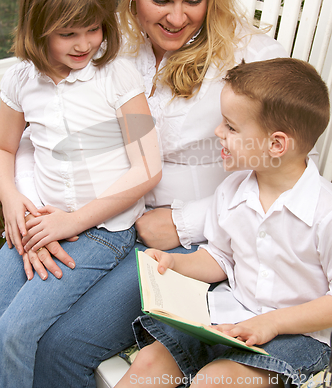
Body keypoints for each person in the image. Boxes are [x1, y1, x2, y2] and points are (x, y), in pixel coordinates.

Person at [11, 0, 287, 388]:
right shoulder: (101, 42)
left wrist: (184, 222)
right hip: (99, 219)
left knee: (64, 346)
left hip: (188, 242)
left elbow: (281, 176)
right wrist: (29, 206)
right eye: (160, 0)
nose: (177, 17)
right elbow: (41, 133)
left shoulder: (249, 59)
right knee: (19, 330)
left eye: (194, 0)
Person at [0, 0, 161, 388]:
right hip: (42, 223)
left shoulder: (118, 76)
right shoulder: (19, 80)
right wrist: (13, 200)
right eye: (68, 33)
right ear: (37, 28)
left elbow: (148, 167)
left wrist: (70, 221)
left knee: (15, 331)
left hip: (103, 232)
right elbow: (5, 149)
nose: (85, 44)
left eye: (92, 29)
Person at [118, 57, 332, 388]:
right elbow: (220, 257)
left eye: (231, 127)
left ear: (276, 144)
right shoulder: (233, 190)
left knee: (215, 380)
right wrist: (174, 262)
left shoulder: (324, 212)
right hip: (231, 315)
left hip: (297, 335)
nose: (219, 132)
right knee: (149, 363)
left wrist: (272, 323)